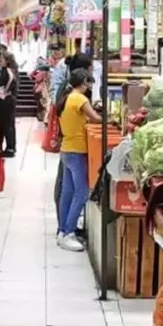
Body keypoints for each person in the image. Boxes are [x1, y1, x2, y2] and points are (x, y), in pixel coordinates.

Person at [56, 68, 101, 251]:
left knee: (67, 193)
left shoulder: (67, 98)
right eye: (89, 82)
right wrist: (110, 118)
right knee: (81, 193)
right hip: (77, 151)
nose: (90, 85)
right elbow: (96, 119)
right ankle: (69, 232)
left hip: (66, 149)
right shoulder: (79, 99)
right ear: (83, 81)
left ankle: (62, 231)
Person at [0, 51, 19, 157]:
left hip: (6, 100)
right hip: (8, 100)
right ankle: (10, 147)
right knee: (9, 124)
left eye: (1, 60)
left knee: (6, 125)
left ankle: (9, 148)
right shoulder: (9, 71)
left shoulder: (7, 72)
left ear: (7, 61)